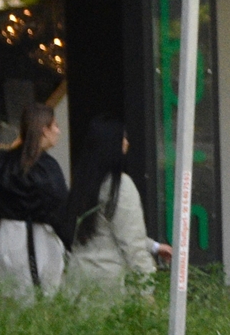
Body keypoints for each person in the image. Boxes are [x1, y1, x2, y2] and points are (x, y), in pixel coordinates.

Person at [64, 116, 168, 302]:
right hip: (109, 286)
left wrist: (155, 247)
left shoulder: (83, 184)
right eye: (123, 138)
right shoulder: (120, 186)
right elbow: (131, 242)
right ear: (112, 145)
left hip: (78, 283)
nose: (127, 143)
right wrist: (146, 289)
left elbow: (105, 231)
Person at [0, 103, 69, 298]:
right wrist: (70, 241)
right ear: (44, 130)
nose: (58, 131)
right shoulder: (46, 168)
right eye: (54, 126)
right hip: (39, 240)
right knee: (42, 300)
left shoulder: (1, 164)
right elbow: (60, 209)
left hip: (7, 238)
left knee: (19, 299)